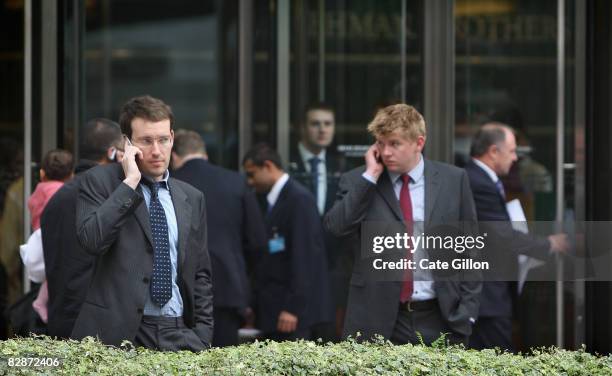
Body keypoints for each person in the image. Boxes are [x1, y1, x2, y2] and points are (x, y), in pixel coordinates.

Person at [324, 103, 481, 345]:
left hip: (441, 317)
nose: (386, 152)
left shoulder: (453, 180)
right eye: (380, 143)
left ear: (419, 143)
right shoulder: (358, 180)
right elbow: (337, 227)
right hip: (376, 319)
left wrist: (467, 314)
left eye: (395, 144)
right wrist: (370, 177)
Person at [72, 95, 213, 351]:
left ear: (172, 138)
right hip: (116, 334)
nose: (157, 151)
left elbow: (201, 272)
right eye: (146, 141)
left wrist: (203, 334)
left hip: (178, 332)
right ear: (127, 144)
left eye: (163, 140)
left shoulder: (191, 197)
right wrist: (130, 184)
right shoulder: (99, 182)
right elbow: (91, 240)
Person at [465, 122, 568, 351]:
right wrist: (548, 244)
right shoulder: (478, 182)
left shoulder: (481, 179)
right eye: (511, 151)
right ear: (493, 151)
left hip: (489, 296)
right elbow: (501, 235)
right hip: (486, 298)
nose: (515, 158)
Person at [171, 129, 266, 347]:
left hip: (179, 291)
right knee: (223, 361)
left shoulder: (170, 183)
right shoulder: (236, 182)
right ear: (204, 154)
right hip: (227, 288)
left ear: (174, 156)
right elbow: (258, 241)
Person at [41, 118, 123, 339]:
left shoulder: (56, 199)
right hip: (99, 327)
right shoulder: (114, 196)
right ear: (113, 152)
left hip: (61, 320)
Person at [242, 143, 332, 341]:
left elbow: (305, 257)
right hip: (275, 310)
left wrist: (293, 308)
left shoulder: (299, 200)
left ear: (268, 166)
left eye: (252, 174)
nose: (250, 181)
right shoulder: (269, 200)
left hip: (294, 315)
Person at [289, 103, 349, 341]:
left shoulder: (341, 167)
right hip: (295, 271)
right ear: (302, 128)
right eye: (315, 124)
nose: (322, 129)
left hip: (332, 271)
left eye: (328, 124)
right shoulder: (287, 164)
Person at [23, 149, 74, 324]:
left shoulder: (38, 190)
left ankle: (41, 302)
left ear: (41, 173)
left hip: (38, 237)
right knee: (53, 275)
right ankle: (40, 302)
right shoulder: (63, 192)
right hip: (52, 237)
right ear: (71, 174)